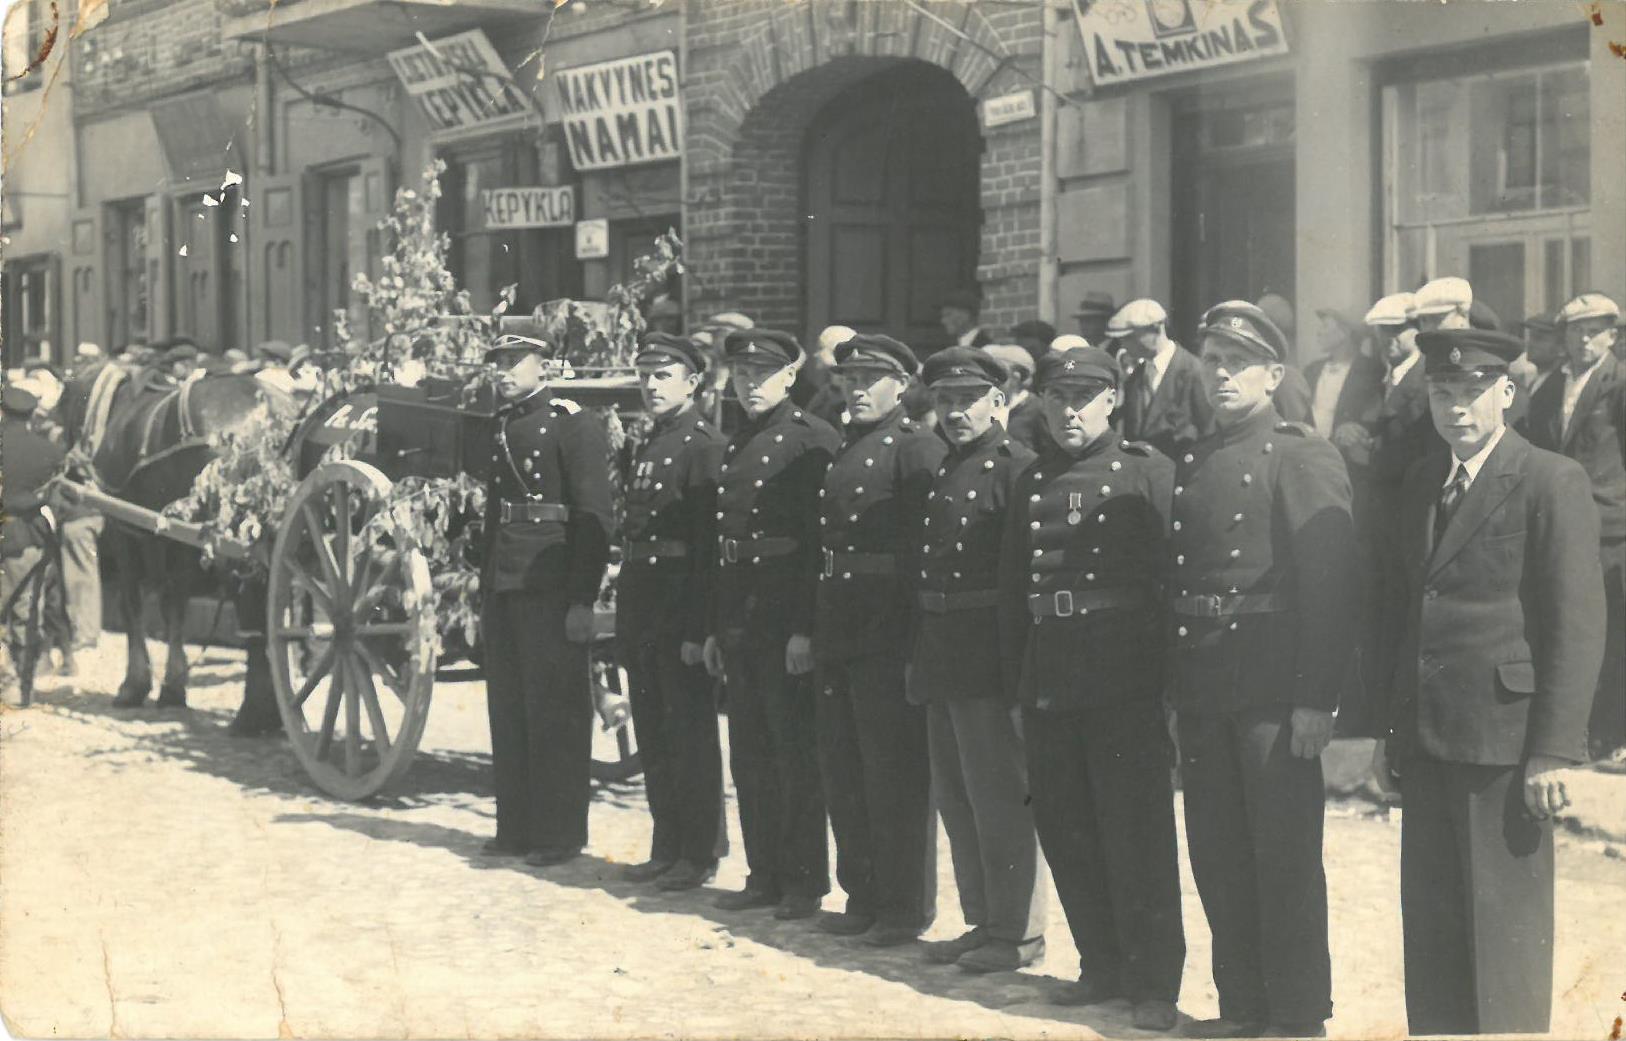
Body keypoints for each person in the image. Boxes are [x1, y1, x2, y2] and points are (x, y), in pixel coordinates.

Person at [1370, 327, 1606, 1035]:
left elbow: (1576, 623)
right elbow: (1408, 613)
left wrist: (1553, 750)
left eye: (1473, 392)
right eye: (1443, 392)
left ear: (1506, 392)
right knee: (1435, 935)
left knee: (1505, 943)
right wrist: (1390, 730)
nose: (1457, 408)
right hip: (1429, 737)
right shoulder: (1420, 482)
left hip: (1505, 744)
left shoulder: (1548, 479)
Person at [1169, 301, 1355, 1039]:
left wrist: (1317, 698)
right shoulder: (1194, 458)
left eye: (1236, 362)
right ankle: (1242, 1006)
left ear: (1274, 375)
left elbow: (1332, 586)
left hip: (1273, 690)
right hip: (1207, 684)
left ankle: (1299, 1013)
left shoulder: (1300, 453)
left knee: (1281, 856)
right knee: (1217, 853)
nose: (1219, 374)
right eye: (1211, 359)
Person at [1000, 346, 1184, 1029]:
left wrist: (1168, 687)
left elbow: (1170, 585)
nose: (1069, 410)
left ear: (1112, 400)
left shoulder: (1148, 472)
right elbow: (1014, 590)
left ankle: (1154, 980)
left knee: (1135, 833)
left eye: (1083, 397)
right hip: (1049, 676)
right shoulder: (1032, 478)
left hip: (1123, 680)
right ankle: (1100, 964)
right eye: (1057, 398)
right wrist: (1015, 681)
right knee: (1069, 829)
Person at [908, 348, 1046, 973]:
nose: (955, 411)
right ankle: (983, 919)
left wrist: (1016, 667)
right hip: (943, 646)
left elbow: (1022, 579)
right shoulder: (947, 465)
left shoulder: (1016, 469)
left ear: (999, 402)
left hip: (987, 651)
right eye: (944, 401)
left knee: (998, 797)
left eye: (968, 400)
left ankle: (1016, 931)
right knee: (956, 795)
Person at [700, 329, 839, 919]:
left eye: (762, 374)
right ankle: (764, 873)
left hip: (784, 615)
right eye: (740, 374)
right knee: (750, 752)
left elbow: (819, 545)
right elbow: (725, 541)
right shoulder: (739, 441)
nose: (749, 384)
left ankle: (803, 881)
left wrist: (806, 628)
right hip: (741, 615)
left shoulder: (812, 441)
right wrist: (715, 624)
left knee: (792, 751)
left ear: (789, 378)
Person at [812, 333, 945, 946]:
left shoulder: (915, 450)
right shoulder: (845, 446)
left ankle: (903, 904)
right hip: (840, 621)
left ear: (901, 387)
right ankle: (862, 892)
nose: (858, 390)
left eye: (872, 380)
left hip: (887, 626)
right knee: (845, 767)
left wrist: (916, 635)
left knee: (892, 771)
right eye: (850, 380)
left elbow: (927, 551)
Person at [476, 332, 612, 868]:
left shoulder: (572, 423)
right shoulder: (502, 425)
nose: (504, 371)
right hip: (505, 578)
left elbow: (593, 515)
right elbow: (494, 511)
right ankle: (515, 826)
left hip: (551, 579)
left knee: (554, 710)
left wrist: (583, 596)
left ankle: (558, 834)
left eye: (515, 361)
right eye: (499, 362)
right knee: (509, 707)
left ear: (546, 365)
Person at [617, 332, 729, 891]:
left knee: (688, 731)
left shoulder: (703, 446)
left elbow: (709, 547)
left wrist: (698, 626)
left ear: (693, 383)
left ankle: (700, 850)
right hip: (643, 598)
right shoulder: (655, 441)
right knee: (654, 731)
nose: (651, 386)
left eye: (663, 376)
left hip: (680, 602)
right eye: (645, 375)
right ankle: (668, 844)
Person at [1519, 292, 1625, 763]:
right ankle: (1575, 732)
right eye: (1576, 330)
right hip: (1561, 524)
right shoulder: (1549, 387)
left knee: (1612, 632)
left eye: (1595, 330)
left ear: (1612, 336)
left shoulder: (1619, 384)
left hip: (1611, 527)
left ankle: (1613, 732)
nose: (1584, 339)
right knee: (1565, 626)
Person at [1, 384, 68, 692]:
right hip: (26, 537)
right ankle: (20, 681)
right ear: (31, 415)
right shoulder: (49, 451)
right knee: (26, 613)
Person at [1109, 298, 1214, 459]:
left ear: (1156, 329)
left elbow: (1208, 430)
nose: (1123, 346)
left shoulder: (1193, 371)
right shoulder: (1136, 376)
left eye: (1129, 337)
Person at [982, 343, 1047, 452]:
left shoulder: (1038, 410)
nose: (988, 382)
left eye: (996, 376)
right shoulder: (985, 408)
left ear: (1016, 377)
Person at [791, 324, 851, 428]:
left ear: (836, 350)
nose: (815, 354)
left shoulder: (847, 393)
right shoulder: (824, 392)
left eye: (820, 348)